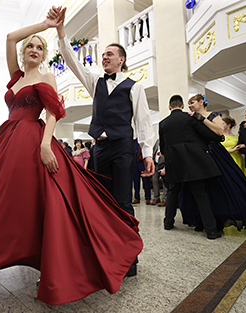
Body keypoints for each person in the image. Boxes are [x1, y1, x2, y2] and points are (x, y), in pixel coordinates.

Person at [0, 15, 143, 306]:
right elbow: (10, 37)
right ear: (24, 53)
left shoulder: (46, 77)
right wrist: (45, 26)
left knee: (41, 201)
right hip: (6, 141)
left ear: (43, 54)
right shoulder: (16, 77)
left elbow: (52, 113)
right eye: (30, 47)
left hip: (31, 140)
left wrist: (46, 145)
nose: (34, 50)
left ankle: (52, 262)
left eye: (39, 48)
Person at [51, 6, 155, 219]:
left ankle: (128, 251)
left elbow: (143, 122)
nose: (104, 57)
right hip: (100, 149)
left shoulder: (135, 87)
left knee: (123, 201)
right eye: (103, 54)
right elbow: (71, 60)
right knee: (101, 199)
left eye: (109, 54)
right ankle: (105, 247)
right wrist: (61, 31)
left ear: (121, 60)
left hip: (123, 148)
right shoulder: (95, 82)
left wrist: (147, 153)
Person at [184, 97, 246, 230]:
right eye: (189, 104)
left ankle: (222, 216)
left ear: (201, 102)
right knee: (203, 187)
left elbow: (219, 131)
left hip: (215, 152)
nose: (190, 106)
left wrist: (201, 119)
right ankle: (205, 218)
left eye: (192, 103)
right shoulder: (191, 118)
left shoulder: (213, 115)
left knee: (223, 183)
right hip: (199, 152)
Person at [160, 95, 224, 239]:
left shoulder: (163, 123)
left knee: (172, 192)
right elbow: (208, 134)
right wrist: (219, 137)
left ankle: (168, 223)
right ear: (182, 106)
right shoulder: (190, 118)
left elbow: (163, 149)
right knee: (200, 194)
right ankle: (211, 231)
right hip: (193, 162)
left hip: (174, 163)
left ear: (170, 107)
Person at [133, 139, 151, 205]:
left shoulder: (146, 142)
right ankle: (137, 198)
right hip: (135, 163)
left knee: (146, 181)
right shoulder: (134, 141)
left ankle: (148, 198)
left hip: (143, 163)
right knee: (136, 181)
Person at [151, 139, 167, 206]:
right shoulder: (157, 141)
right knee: (154, 180)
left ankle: (165, 200)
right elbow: (154, 150)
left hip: (164, 164)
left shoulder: (168, 141)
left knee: (164, 183)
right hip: (156, 164)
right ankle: (156, 198)